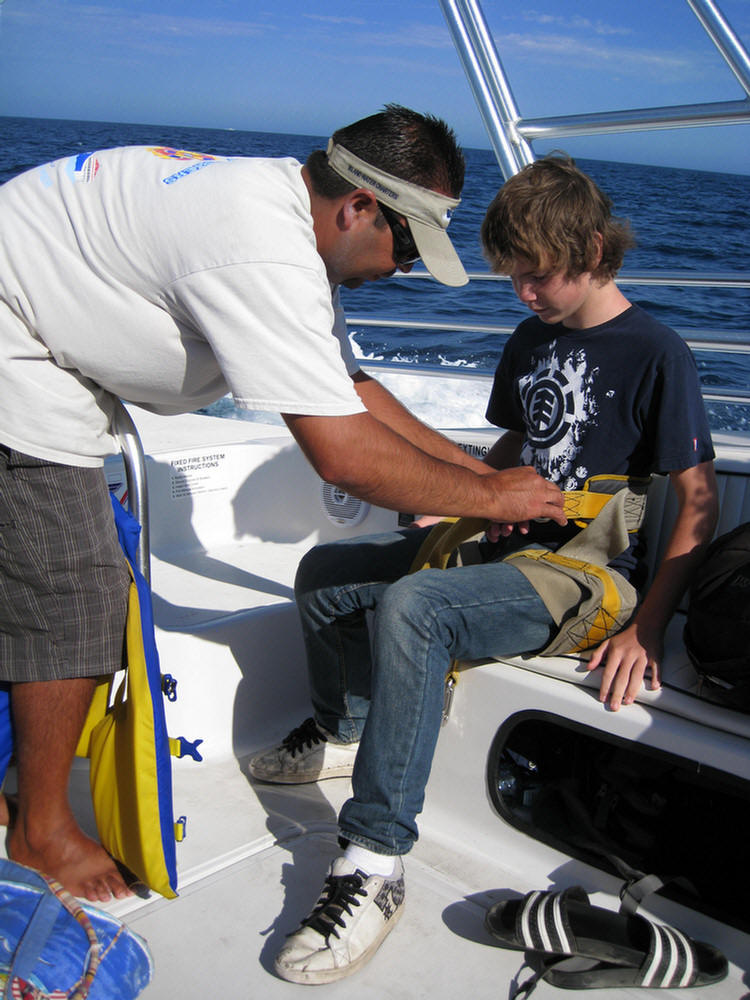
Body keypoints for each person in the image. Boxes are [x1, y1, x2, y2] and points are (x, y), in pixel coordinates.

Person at [0, 106, 566, 904]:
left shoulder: (287, 220)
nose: (404, 268)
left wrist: (470, 467)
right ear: (359, 207)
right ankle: (39, 831)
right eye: (407, 244)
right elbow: (342, 454)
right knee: (76, 595)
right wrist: (484, 497)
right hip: (15, 348)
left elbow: (352, 389)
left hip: (48, 339)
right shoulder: (258, 246)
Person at [249, 154, 719, 985]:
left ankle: (374, 858)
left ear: (597, 251)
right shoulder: (531, 337)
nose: (524, 296)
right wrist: (457, 495)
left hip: (585, 574)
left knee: (417, 607)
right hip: (501, 541)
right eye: (513, 279)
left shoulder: (657, 351)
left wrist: (648, 625)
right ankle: (343, 726)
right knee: (328, 573)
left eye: (538, 278)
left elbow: (697, 498)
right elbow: (512, 451)